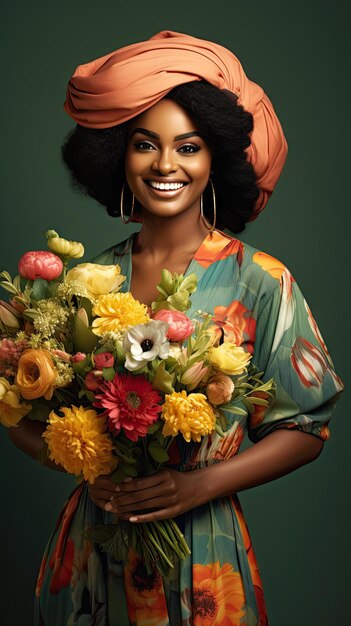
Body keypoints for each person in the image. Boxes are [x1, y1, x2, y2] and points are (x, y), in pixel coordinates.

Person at [8, 31, 343, 626]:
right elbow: (19, 415)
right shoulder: (84, 281)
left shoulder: (261, 281)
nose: (166, 165)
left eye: (187, 147)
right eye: (145, 145)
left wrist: (198, 486)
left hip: (201, 552)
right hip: (90, 544)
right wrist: (89, 463)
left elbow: (307, 429)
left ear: (215, 160)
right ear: (118, 156)